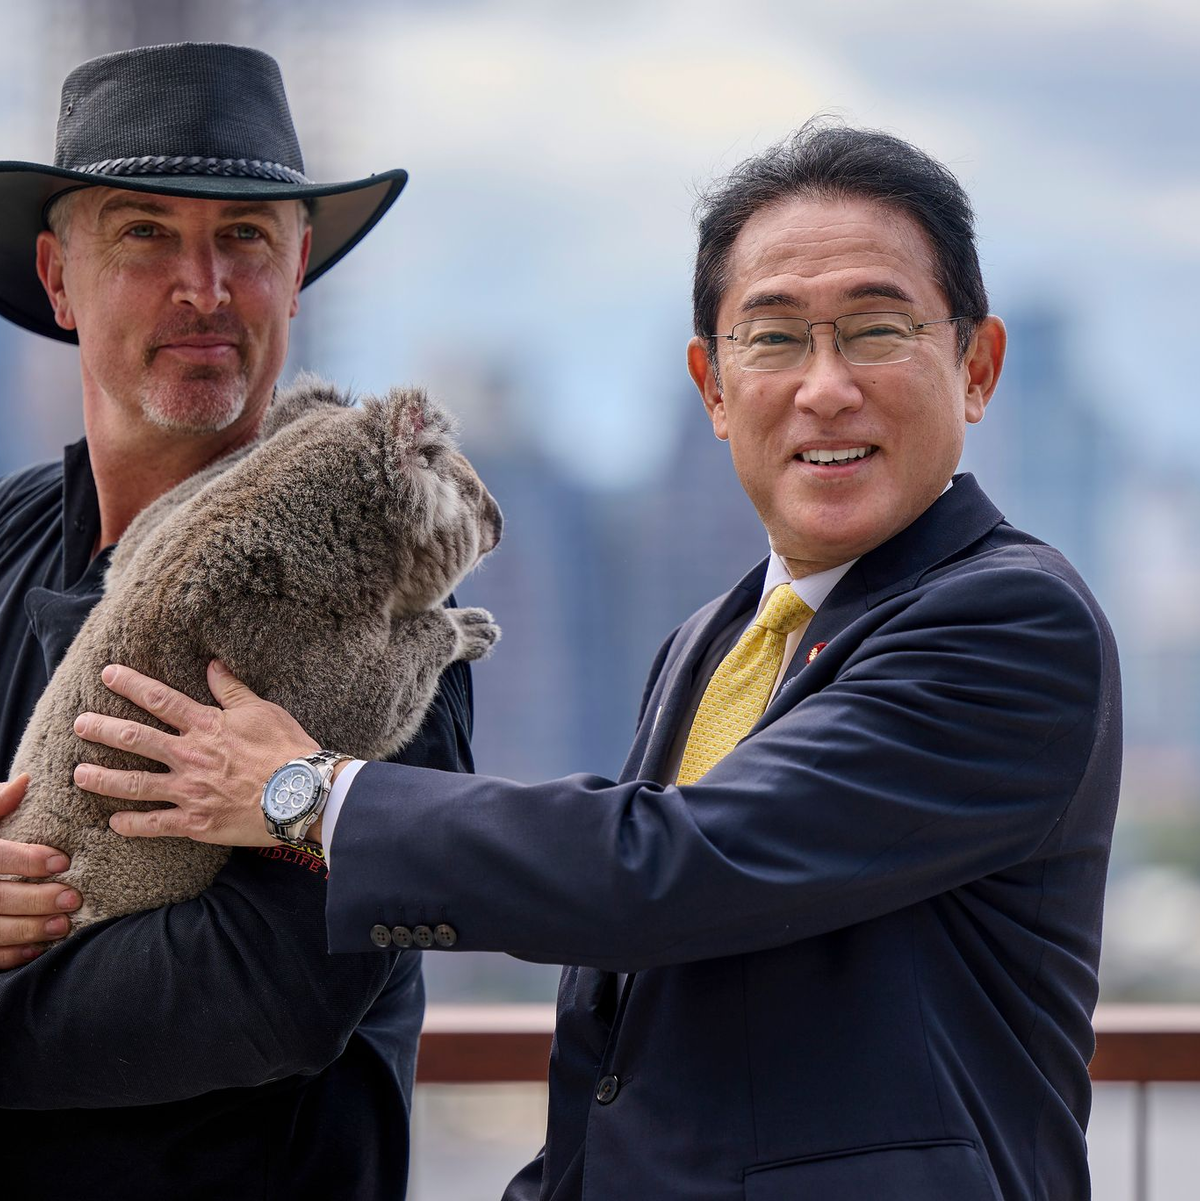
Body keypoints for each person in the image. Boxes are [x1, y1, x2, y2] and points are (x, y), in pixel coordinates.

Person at [68, 123, 1120, 1199]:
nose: (825, 386)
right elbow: (626, 1037)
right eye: (774, 338)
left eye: (876, 329)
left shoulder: (1011, 621)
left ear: (976, 366)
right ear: (712, 388)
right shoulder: (712, 640)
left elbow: (670, 869)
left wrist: (308, 793)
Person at [0, 43, 477, 1201]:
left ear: (299, 268)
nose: (204, 287)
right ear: (60, 279)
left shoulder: (381, 576)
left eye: (247, 239)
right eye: (146, 235)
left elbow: (261, 995)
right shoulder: (10, 539)